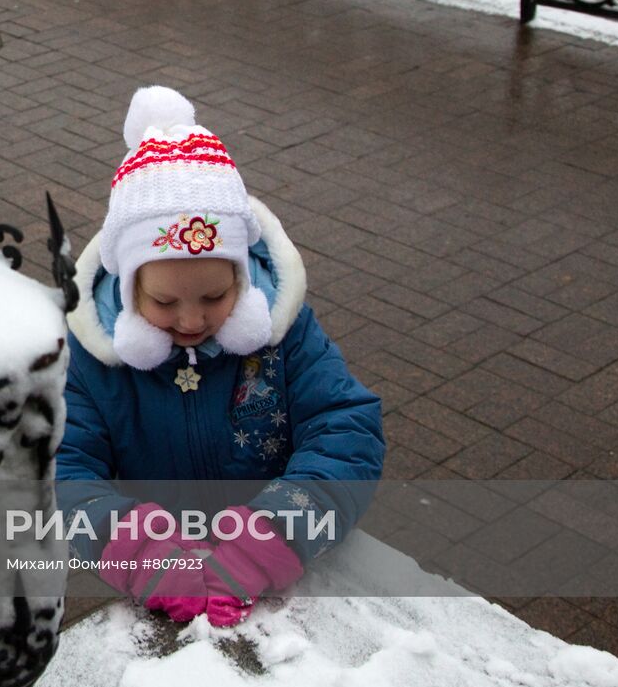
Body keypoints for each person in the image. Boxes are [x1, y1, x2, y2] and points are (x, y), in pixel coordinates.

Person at [57, 85, 385, 627]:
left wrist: (275, 534)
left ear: (241, 273)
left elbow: (346, 431)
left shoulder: (284, 335)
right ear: (127, 286)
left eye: (215, 297)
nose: (191, 322)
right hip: (161, 584)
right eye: (164, 301)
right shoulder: (93, 359)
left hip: (282, 577)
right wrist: (136, 549)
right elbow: (60, 470)